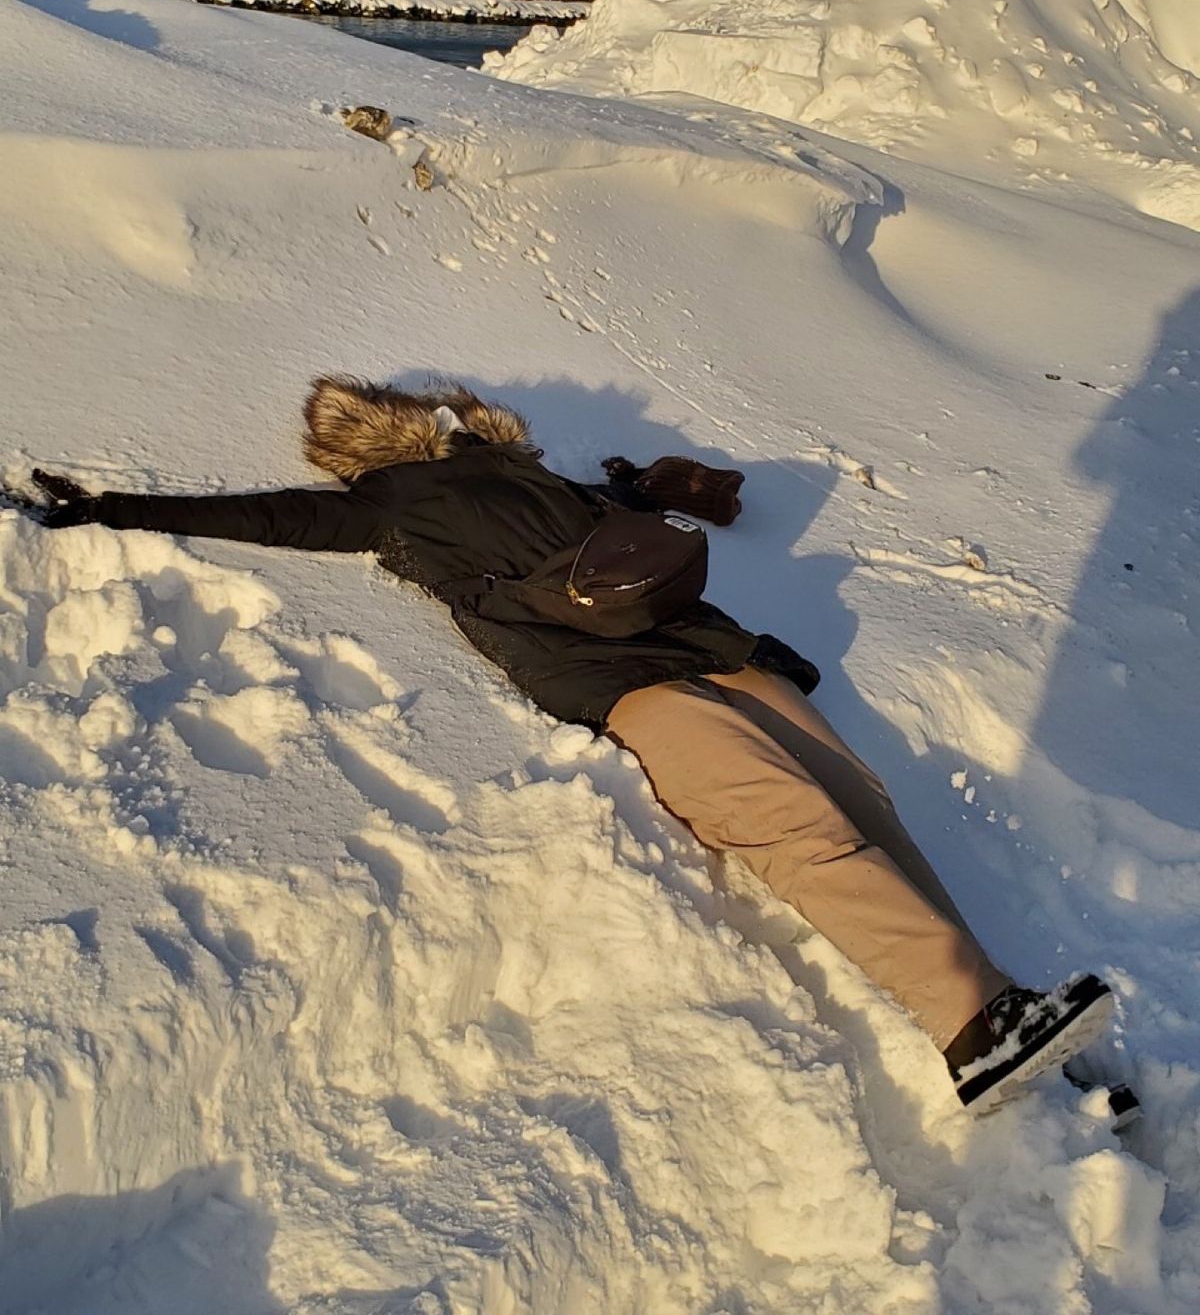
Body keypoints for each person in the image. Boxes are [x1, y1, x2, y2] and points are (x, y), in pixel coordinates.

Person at [29, 376, 1113, 1113]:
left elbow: (621, 506)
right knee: (793, 822)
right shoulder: (391, 507)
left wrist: (662, 484)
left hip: (710, 646)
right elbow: (271, 519)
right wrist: (116, 507)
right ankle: (971, 1029)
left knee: (860, 799)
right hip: (615, 687)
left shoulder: (529, 471)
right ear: (375, 444)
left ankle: (1000, 1006)